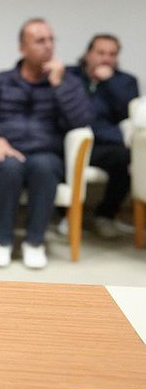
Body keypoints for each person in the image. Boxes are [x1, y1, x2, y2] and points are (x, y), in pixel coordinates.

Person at [0, 18, 92, 269]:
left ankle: (35, 242)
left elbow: (83, 121)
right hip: (6, 149)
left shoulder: (67, 82)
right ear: (22, 47)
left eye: (51, 40)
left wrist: (59, 86)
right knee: (8, 166)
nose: (48, 46)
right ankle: (1, 240)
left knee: (44, 167)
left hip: (45, 153)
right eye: (40, 40)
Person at [66, 34, 140, 238]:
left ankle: (105, 215)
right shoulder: (69, 75)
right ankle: (66, 215)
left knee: (125, 158)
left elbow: (128, 114)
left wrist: (109, 82)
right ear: (88, 54)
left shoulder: (125, 81)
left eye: (112, 54)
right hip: (69, 141)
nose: (106, 58)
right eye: (100, 53)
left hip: (104, 145)